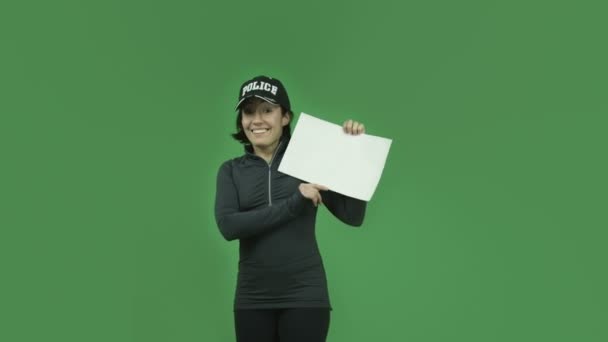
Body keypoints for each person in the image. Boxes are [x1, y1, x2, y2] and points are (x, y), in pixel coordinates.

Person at [214, 75, 367, 342]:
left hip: (305, 297)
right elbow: (230, 226)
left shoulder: (309, 162)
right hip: (252, 299)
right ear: (241, 120)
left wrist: (354, 153)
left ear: (285, 117)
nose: (257, 120)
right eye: (248, 112)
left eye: (267, 110)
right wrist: (294, 204)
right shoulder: (230, 171)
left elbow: (353, 216)